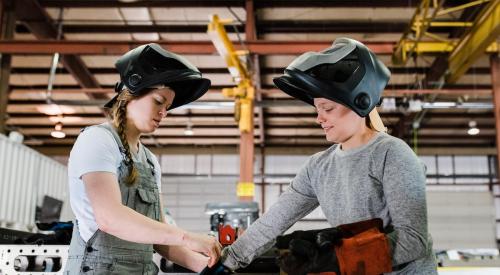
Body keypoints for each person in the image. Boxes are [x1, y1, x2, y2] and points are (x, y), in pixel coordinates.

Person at [215, 38, 438, 274]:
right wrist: (226, 262)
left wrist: (340, 258)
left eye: (327, 108)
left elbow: (414, 240)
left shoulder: (392, 154)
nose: (319, 118)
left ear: (360, 102)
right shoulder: (318, 167)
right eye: (317, 109)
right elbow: (274, 221)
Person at [65, 43, 221, 274]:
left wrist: (210, 268)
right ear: (131, 94)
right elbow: (109, 217)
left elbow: (160, 239)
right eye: (159, 102)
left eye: (168, 107)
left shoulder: (149, 161)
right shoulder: (97, 140)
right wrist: (187, 238)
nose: (163, 113)